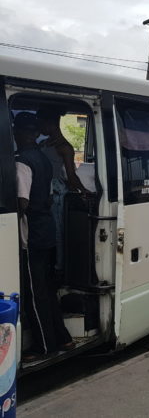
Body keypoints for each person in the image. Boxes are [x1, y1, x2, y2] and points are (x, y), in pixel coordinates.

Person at [13, 112, 73, 361]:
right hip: (47, 229)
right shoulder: (43, 159)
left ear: (20, 133)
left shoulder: (22, 161)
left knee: (34, 291)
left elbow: (22, 202)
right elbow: (48, 197)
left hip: (32, 234)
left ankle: (45, 347)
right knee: (47, 289)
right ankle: (63, 338)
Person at [36, 108, 90, 276]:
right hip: (46, 190)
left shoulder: (64, 147)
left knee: (57, 231)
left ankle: (58, 267)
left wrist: (84, 191)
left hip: (55, 192)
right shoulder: (47, 144)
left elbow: (71, 177)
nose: (39, 127)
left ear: (51, 124)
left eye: (42, 123)